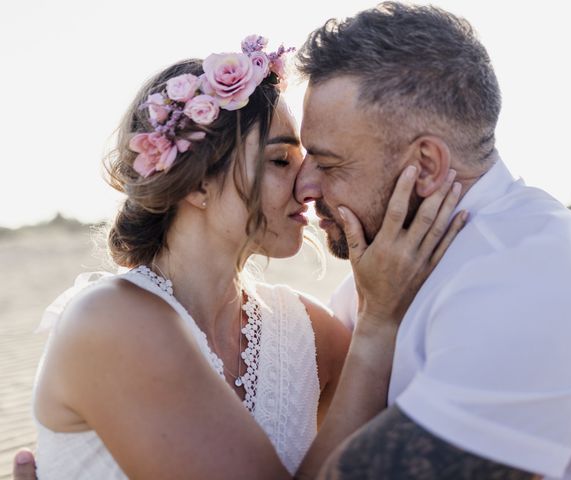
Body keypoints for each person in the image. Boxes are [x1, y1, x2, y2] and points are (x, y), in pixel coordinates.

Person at [12, 33, 466, 479]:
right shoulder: (110, 321)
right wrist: (378, 324)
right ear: (195, 183)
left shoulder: (310, 334)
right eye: (281, 161)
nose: (310, 187)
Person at [292, 2, 571, 479]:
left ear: (427, 166)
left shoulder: (537, 282)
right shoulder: (379, 282)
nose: (305, 186)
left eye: (329, 164)